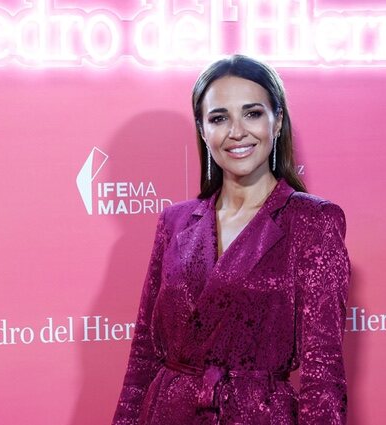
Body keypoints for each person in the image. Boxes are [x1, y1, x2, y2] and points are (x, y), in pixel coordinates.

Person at [112, 54, 350, 425]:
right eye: (219, 118)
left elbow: (324, 373)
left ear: (278, 121)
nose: (236, 131)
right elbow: (144, 354)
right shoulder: (175, 221)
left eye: (252, 113)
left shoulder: (313, 221)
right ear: (203, 130)